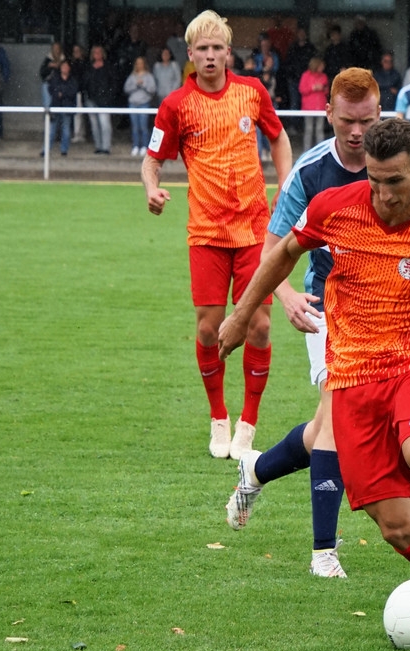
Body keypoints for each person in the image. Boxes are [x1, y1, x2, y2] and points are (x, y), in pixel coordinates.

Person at [219, 117, 410, 633]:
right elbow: (283, 254)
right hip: (352, 381)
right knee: (397, 527)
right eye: (375, 180)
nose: (383, 194)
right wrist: (242, 313)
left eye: (395, 181)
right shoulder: (334, 207)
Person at [221, 67, 410, 579]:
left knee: (325, 427)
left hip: (395, 312)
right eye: (347, 121)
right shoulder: (310, 172)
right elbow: (273, 249)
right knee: (337, 420)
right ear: (329, 114)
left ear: (380, 112)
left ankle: (256, 468)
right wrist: (285, 295)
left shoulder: (409, 163)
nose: (358, 131)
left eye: (367, 120)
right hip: (328, 308)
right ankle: (323, 551)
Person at [142, 10, 293, 459]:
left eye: (217, 48)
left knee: (259, 326)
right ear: (190, 54)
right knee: (210, 329)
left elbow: (279, 138)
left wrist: (286, 185)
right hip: (206, 232)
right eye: (202, 49)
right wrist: (151, 189)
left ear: (229, 52)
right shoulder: (176, 105)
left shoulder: (252, 91)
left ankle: (248, 423)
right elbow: (152, 158)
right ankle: (218, 417)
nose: (210, 55)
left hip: (254, 230)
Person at [84, 45, 117, 155]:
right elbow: (85, 81)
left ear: (103, 54)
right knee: (94, 125)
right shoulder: (89, 67)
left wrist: (109, 96)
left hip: (104, 100)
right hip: (91, 99)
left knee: (105, 124)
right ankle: (98, 146)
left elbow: (113, 83)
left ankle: (106, 147)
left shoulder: (108, 67)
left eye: (99, 52)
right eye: (95, 52)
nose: (97, 54)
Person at [124, 56, 156, 156]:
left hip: (144, 104)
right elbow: (126, 89)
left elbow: (153, 89)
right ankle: (135, 146)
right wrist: (135, 85)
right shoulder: (132, 76)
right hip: (133, 104)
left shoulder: (149, 76)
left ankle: (145, 146)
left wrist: (143, 85)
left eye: (141, 63)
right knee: (135, 127)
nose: (139, 65)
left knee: (143, 126)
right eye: (137, 63)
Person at [45, 59, 77, 156]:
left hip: (67, 108)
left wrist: (61, 93)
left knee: (66, 130)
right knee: (51, 131)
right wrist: (62, 92)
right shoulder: (55, 78)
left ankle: (64, 150)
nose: (65, 68)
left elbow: (73, 92)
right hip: (55, 106)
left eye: (66, 67)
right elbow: (51, 89)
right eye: (63, 66)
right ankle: (46, 150)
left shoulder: (73, 80)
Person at [299, 56, 328, 152]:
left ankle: (321, 151)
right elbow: (302, 89)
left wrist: (322, 88)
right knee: (309, 129)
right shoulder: (305, 75)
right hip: (309, 107)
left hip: (320, 106)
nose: (323, 68)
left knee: (319, 130)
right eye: (321, 66)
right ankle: (307, 151)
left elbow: (327, 90)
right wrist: (313, 88)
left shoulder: (324, 76)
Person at [39, 42, 64, 108]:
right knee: (45, 86)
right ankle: (47, 110)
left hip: (62, 84)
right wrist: (49, 67)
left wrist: (60, 66)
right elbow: (42, 73)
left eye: (57, 49)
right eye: (54, 49)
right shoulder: (47, 60)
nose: (56, 51)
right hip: (50, 84)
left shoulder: (64, 60)